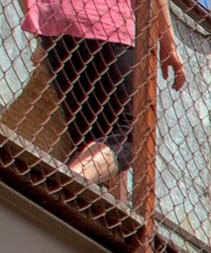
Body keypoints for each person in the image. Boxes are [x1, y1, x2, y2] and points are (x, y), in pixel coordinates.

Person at [27, 0, 188, 187]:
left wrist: (39, 29)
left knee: (86, 136)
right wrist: (169, 45)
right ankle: (65, 183)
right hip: (109, 25)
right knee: (129, 137)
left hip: (56, 25)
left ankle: (69, 183)